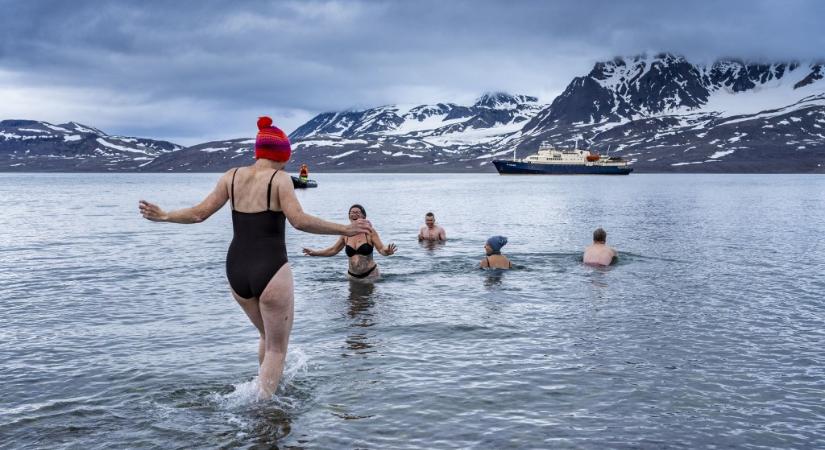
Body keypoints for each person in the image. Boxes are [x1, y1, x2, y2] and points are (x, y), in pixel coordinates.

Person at [138, 116, 372, 399]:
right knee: (277, 349)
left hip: (236, 269)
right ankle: (262, 411)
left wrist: (164, 215)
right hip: (271, 268)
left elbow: (199, 213)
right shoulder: (280, 180)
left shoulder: (231, 176)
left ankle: (264, 389)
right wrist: (344, 228)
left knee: (266, 337)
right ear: (282, 156)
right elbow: (298, 221)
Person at [302, 204, 397, 282]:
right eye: (352, 212)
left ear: (364, 216)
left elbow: (381, 249)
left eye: (357, 212)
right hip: (352, 276)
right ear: (349, 216)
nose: (354, 214)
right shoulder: (345, 234)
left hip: (370, 275)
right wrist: (315, 253)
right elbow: (333, 250)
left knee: (367, 304)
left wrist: (387, 251)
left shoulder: (369, 232)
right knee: (352, 304)